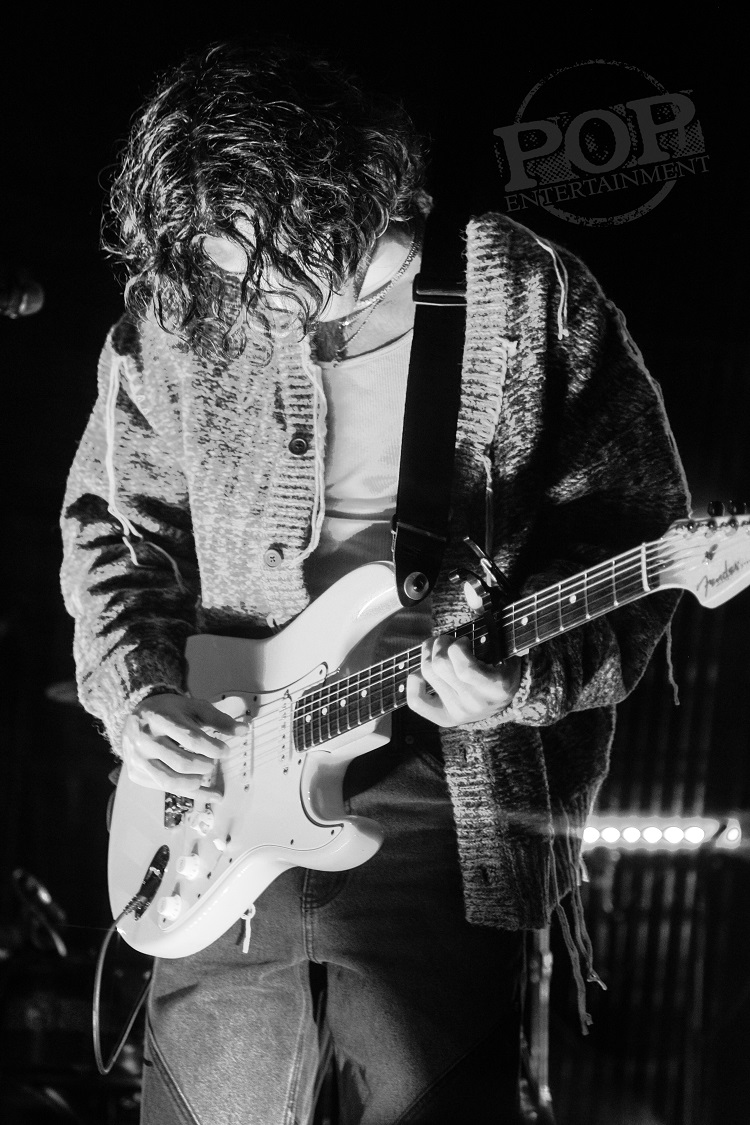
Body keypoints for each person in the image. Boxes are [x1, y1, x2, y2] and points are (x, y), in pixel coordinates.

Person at [60, 39, 690, 1125]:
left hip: (446, 801)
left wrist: (521, 683)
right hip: (220, 783)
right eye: (219, 263)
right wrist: (139, 687)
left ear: (341, 190)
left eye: (261, 259)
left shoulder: (524, 294)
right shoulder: (184, 310)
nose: (242, 293)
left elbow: (631, 538)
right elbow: (114, 526)